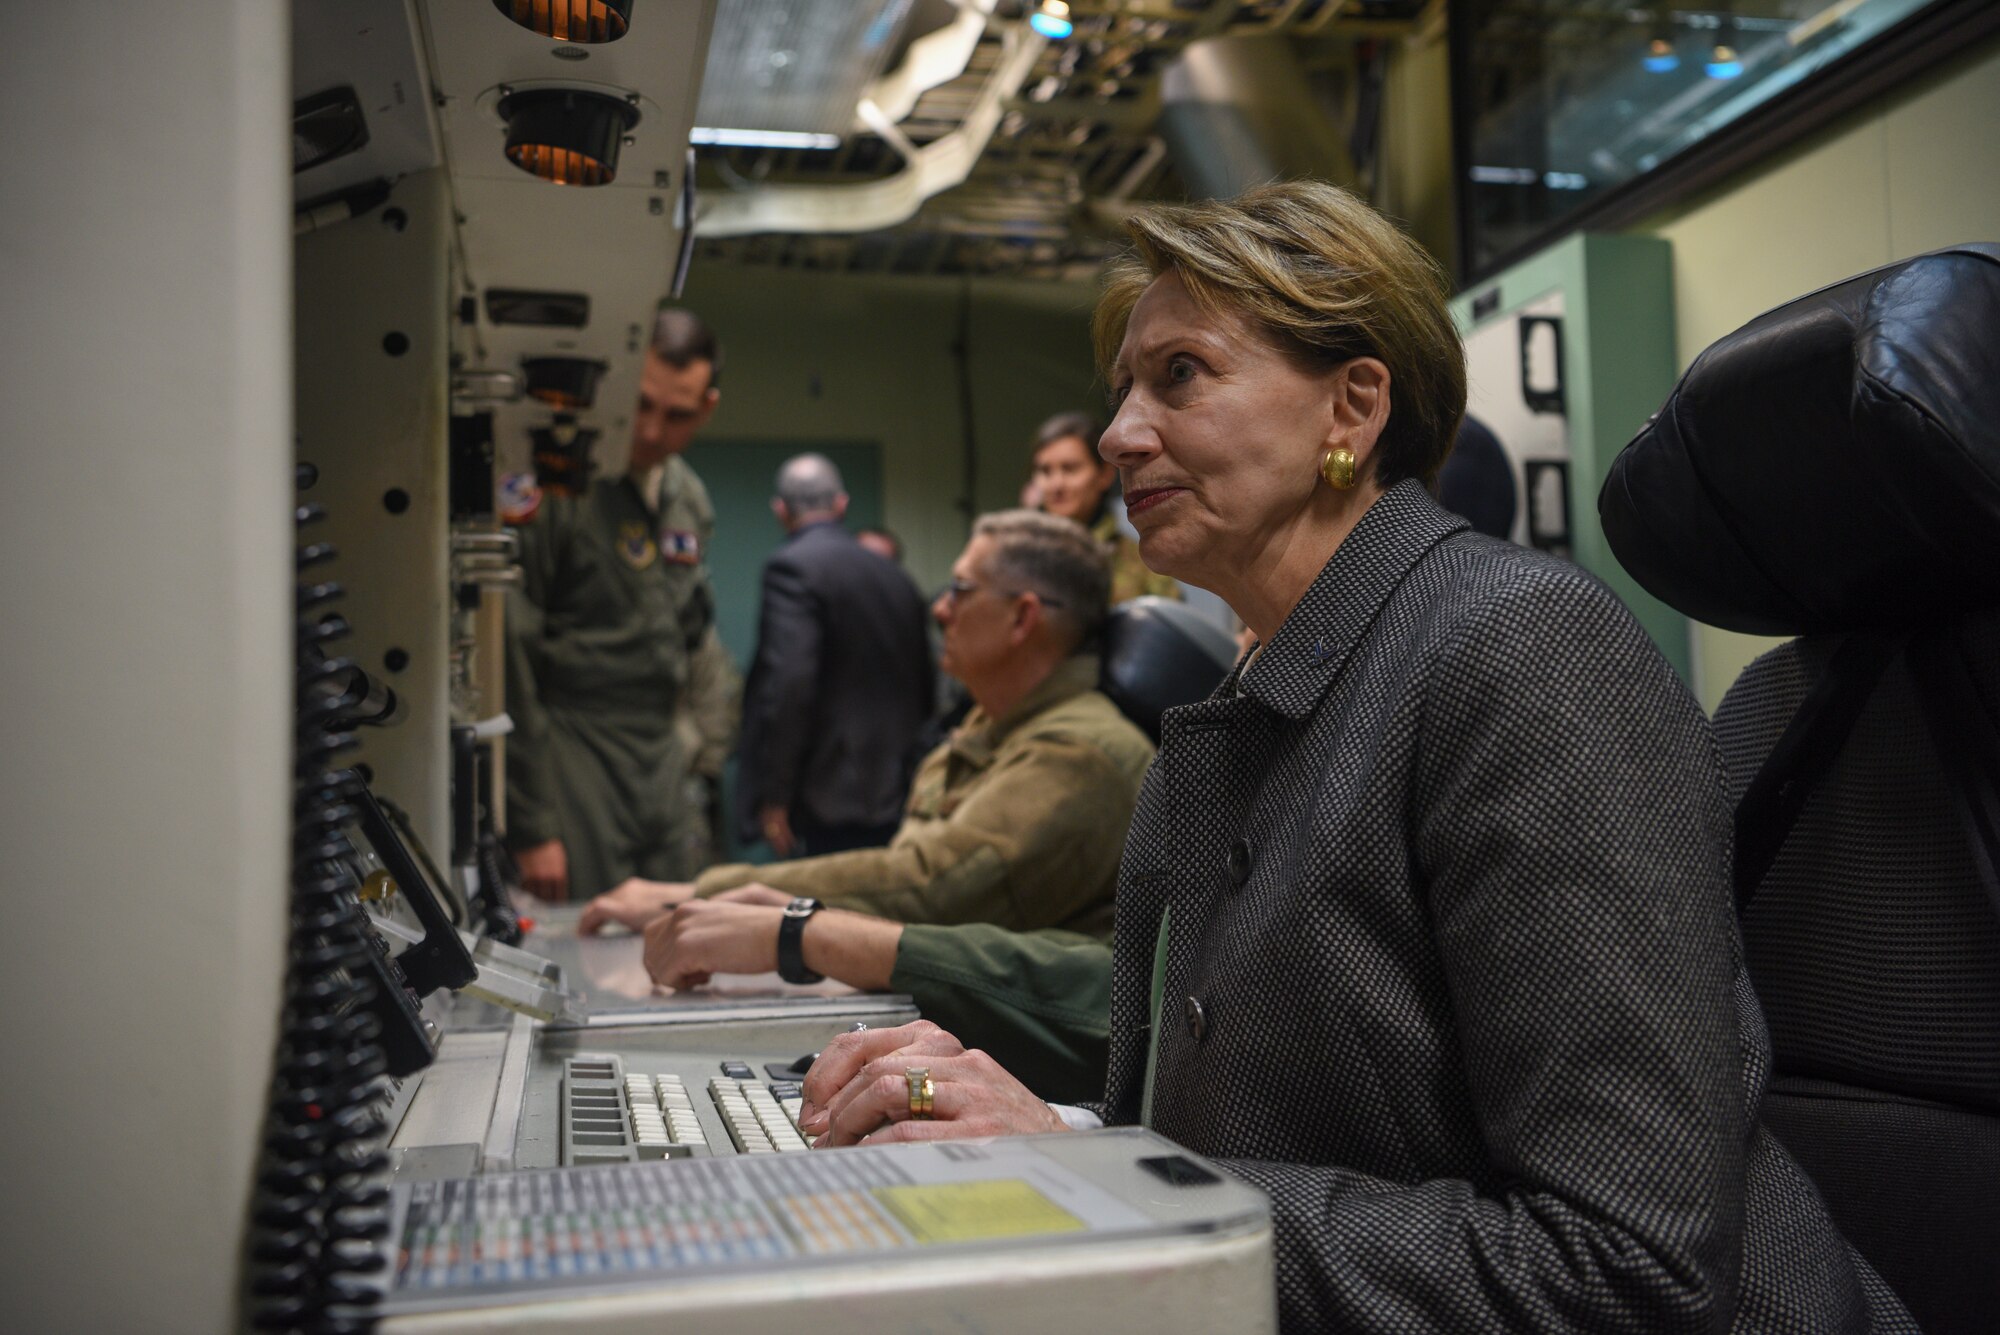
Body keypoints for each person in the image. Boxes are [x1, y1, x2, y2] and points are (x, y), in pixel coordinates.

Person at [795, 183, 1913, 1335]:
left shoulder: (1519, 651)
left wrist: (1095, 1180)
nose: (1118, 432)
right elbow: (1254, 1140)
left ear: (1352, 406)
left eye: (1179, 374)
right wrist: (1045, 1136)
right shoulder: (1239, 712)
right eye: (1123, 388)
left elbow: (1623, 1265)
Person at [579, 510, 1155, 936]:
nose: (940, 609)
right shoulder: (993, 726)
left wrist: (703, 895)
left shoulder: (1077, 753)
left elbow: (930, 887)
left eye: (960, 590)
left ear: (1023, 617)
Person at [504, 308, 724, 902]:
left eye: (677, 415)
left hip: (660, 749)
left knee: (674, 921)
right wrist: (533, 824)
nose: (651, 431)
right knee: (591, 928)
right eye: (642, 404)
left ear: (707, 409)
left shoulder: (688, 498)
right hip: (575, 744)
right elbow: (511, 653)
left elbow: (691, 631)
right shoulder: (559, 484)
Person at [735, 454, 933, 859]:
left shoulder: (791, 568)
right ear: (841, 504)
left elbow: (790, 685)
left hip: (829, 795)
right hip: (902, 789)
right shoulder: (896, 576)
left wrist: (776, 794)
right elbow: (924, 682)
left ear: (780, 510)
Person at [1029, 412, 1180, 605]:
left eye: (1070, 469)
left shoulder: (1146, 566)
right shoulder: (1016, 556)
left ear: (1105, 475)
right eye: (1045, 471)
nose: (1056, 484)